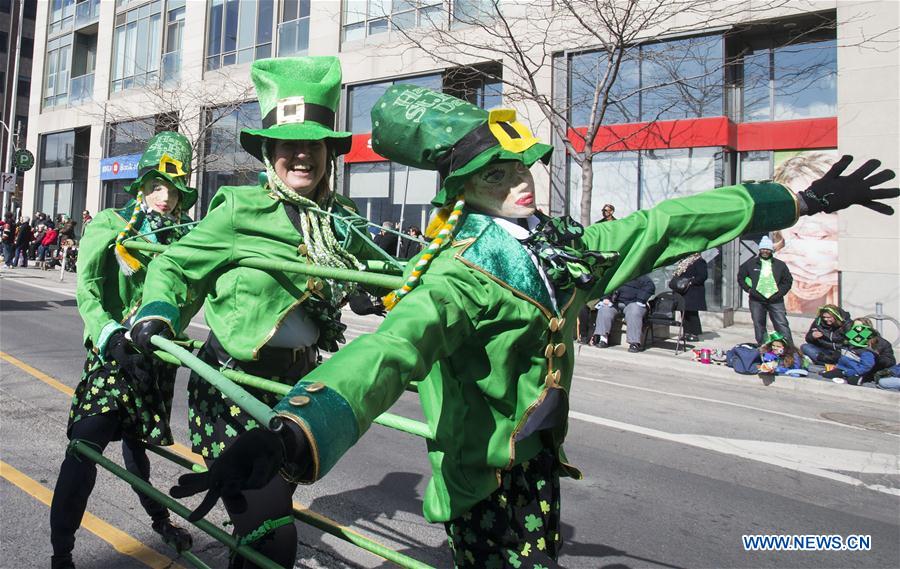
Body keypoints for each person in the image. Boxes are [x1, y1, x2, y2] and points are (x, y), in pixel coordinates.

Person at [156, 86, 898, 569]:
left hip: (538, 464)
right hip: (482, 475)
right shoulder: (458, 273)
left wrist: (796, 200)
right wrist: (294, 432)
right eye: (498, 174)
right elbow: (390, 350)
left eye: (523, 166)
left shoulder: (563, 248)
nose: (523, 179)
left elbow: (665, 223)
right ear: (465, 191)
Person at [130, 57, 386, 569]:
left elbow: (392, 276)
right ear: (269, 152)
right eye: (288, 144)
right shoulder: (237, 209)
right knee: (273, 538)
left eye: (312, 143)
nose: (301, 155)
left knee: (262, 527)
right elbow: (176, 269)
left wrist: (378, 294)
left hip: (296, 395)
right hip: (231, 389)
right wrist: (155, 313)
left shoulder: (344, 221)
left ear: (327, 153)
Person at [49, 132, 198, 569]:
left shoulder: (185, 236)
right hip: (112, 353)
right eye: (156, 185)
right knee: (85, 445)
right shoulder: (111, 223)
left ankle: (159, 522)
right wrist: (111, 334)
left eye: (173, 189)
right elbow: (88, 288)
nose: (164, 197)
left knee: (137, 449)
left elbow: (194, 294)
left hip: (153, 360)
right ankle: (62, 553)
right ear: (141, 185)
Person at [771, 152, 840, 314]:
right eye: (799, 209)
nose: (809, 224)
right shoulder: (771, 269)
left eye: (827, 210)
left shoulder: (849, 281)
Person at [738, 235, 794, 345]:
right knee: (759, 325)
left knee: (781, 323)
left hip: (776, 300)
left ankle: (789, 348)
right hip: (756, 300)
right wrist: (749, 290)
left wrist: (779, 293)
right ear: (759, 249)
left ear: (771, 250)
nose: (765, 251)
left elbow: (787, 281)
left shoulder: (780, 265)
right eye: (763, 249)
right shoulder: (750, 264)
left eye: (767, 249)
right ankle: (763, 347)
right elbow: (741, 277)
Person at [591, 275, 655, 352]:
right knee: (604, 309)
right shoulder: (617, 274)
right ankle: (603, 339)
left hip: (633, 302)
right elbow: (606, 285)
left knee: (634, 312)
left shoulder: (640, 275)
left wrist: (641, 299)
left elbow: (650, 286)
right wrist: (606, 298)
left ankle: (634, 343)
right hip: (615, 302)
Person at [669, 252, 707, 342]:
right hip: (683, 291)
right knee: (684, 312)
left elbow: (702, 276)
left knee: (692, 313)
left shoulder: (699, 261)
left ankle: (694, 333)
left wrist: (690, 282)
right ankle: (686, 333)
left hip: (693, 291)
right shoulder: (683, 261)